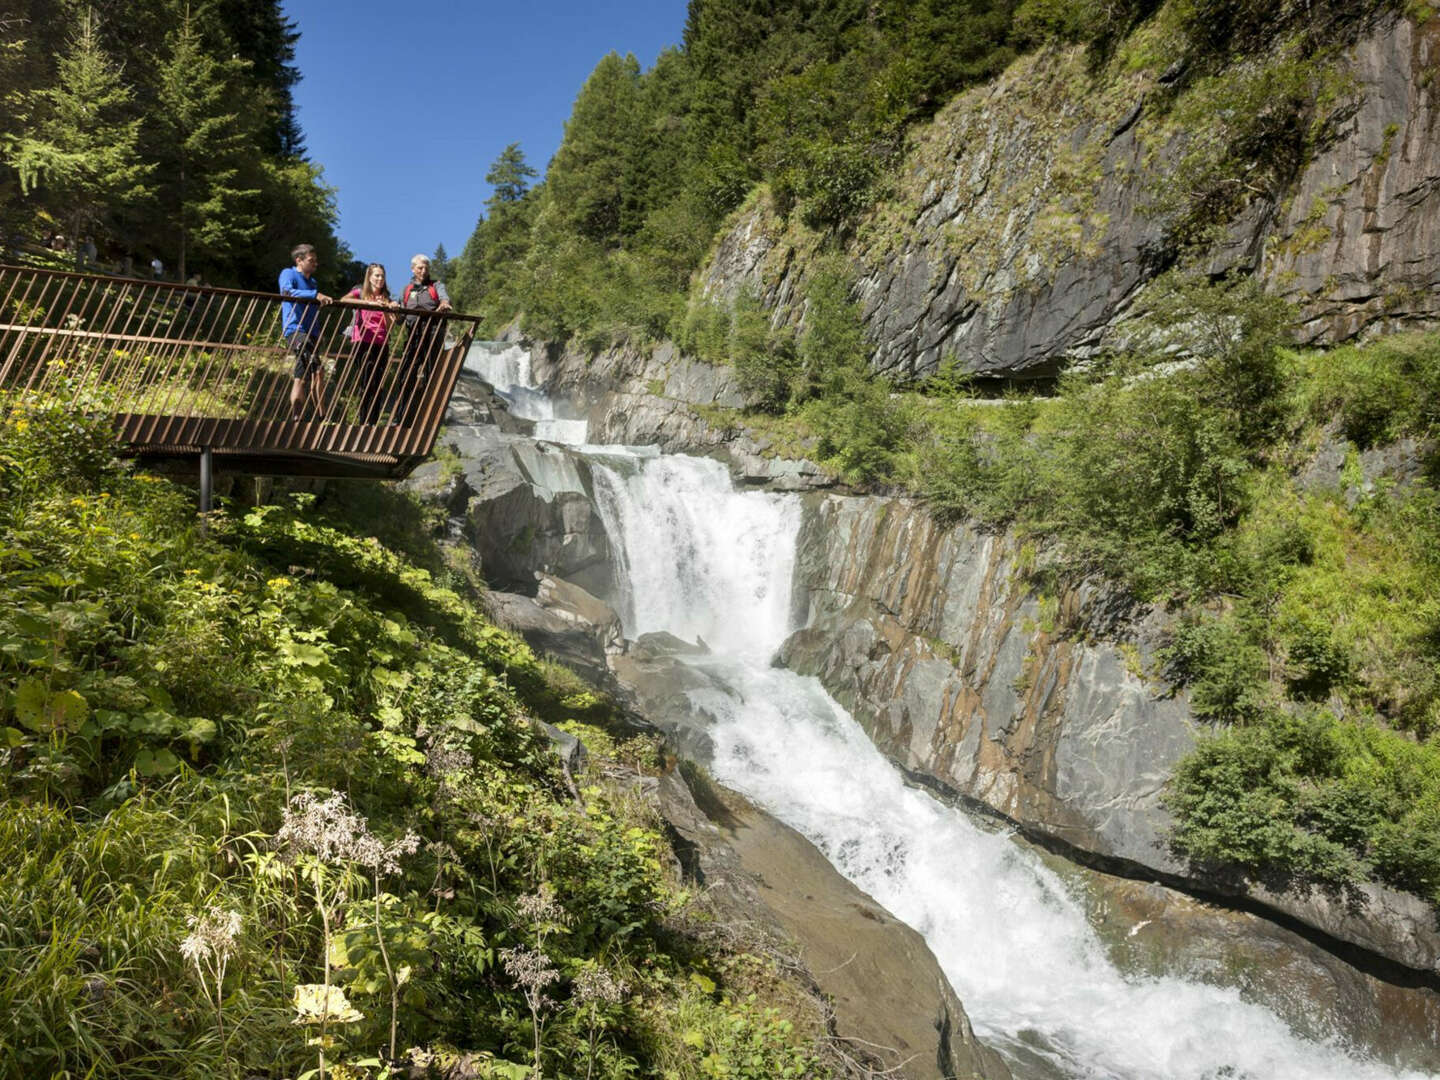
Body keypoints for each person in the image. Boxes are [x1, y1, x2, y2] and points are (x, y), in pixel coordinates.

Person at [393, 253, 452, 426]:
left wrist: (444, 304)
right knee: (406, 375)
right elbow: (399, 320)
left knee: (431, 375)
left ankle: (428, 418)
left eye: (426, 267)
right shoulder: (406, 290)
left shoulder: (436, 286)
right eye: (420, 267)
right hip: (413, 336)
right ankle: (401, 418)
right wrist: (396, 310)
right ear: (413, 269)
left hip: (433, 333)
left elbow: (444, 298)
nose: (424, 270)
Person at [278, 243, 334, 419]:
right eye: (312, 260)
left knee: (311, 370)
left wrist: (317, 333)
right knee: (310, 364)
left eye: (316, 260)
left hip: (312, 332)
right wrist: (314, 295)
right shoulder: (289, 273)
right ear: (299, 260)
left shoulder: (312, 282)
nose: (315, 263)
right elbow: (287, 292)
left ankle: (314, 414)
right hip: (295, 328)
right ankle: (306, 414)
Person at [341, 263, 398, 424]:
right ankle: (363, 420)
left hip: (381, 343)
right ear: (369, 277)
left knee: (378, 383)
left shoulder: (386, 297)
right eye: (376, 275)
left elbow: (390, 326)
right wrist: (369, 304)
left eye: (382, 276)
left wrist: (387, 309)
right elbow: (344, 300)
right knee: (367, 380)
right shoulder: (360, 292)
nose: (380, 279)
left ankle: (372, 421)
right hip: (363, 341)